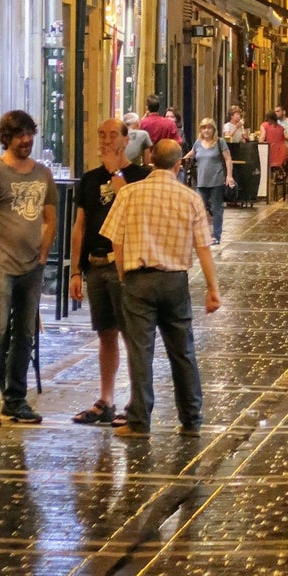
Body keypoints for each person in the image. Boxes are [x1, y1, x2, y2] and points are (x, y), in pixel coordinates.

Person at [102, 140, 222, 435]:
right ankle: (191, 419)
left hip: (138, 279)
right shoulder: (190, 198)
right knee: (182, 351)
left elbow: (115, 240)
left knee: (140, 353)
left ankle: (140, 421)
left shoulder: (129, 193)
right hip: (174, 281)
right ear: (179, 164)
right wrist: (212, 288)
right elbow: (203, 247)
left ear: (150, 159)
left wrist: (122, 275)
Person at [0, 110, 57, 426]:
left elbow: (50, 219)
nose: (26, 140)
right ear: (7, 137)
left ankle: (16, 398)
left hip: (31, 267)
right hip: (2, 265)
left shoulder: (42, 174)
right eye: (20, 135)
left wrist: (43, 254)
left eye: (30, 134)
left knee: (25, 334)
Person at [69, 118, 143, 426]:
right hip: (96, 266)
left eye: (113, 135)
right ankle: (106, 399)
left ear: (126, 140)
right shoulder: (88, 179)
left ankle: (136, 403)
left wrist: (116, 172)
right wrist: (75, 270)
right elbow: (80, 225)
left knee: (132, 335)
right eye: (101, 135)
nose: (105, 140)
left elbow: (134, 211)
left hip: (123, 265)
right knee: (105, 334)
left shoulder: (141, 176)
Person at [191, 118, 234, 244]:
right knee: (199, 209)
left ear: (213, 129)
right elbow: (192, 154)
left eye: (209, 127)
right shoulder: (197, 143)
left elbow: (228, 159)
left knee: (216, 209)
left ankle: (216, 235)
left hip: (216, 180)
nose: (206, 130)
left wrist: (229, 176)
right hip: (201, 181)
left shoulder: (219, 142)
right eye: (204, 128)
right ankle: (201, 235)